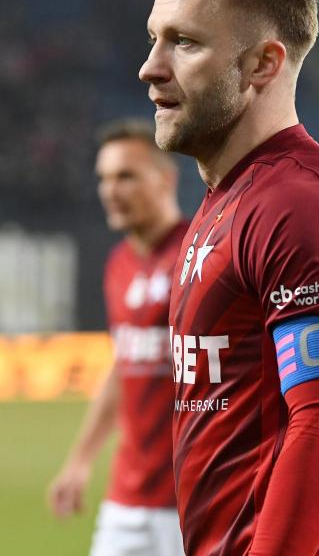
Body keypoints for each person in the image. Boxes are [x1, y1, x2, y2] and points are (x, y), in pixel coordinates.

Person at [138, 0, 319, 556]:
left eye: (184, 42)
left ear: (263, 64)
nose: (151, 66)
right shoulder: (234, 195)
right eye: (154, 38)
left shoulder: (297, 204)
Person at [48, 119, 187, 556]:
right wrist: (80, 460)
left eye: (126, 176)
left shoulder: (199, 254)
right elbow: (124, 368)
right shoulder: (119, 264)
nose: (111, 191)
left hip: (193, 499)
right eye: (104, 178)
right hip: (126, 499)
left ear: (166, 179)